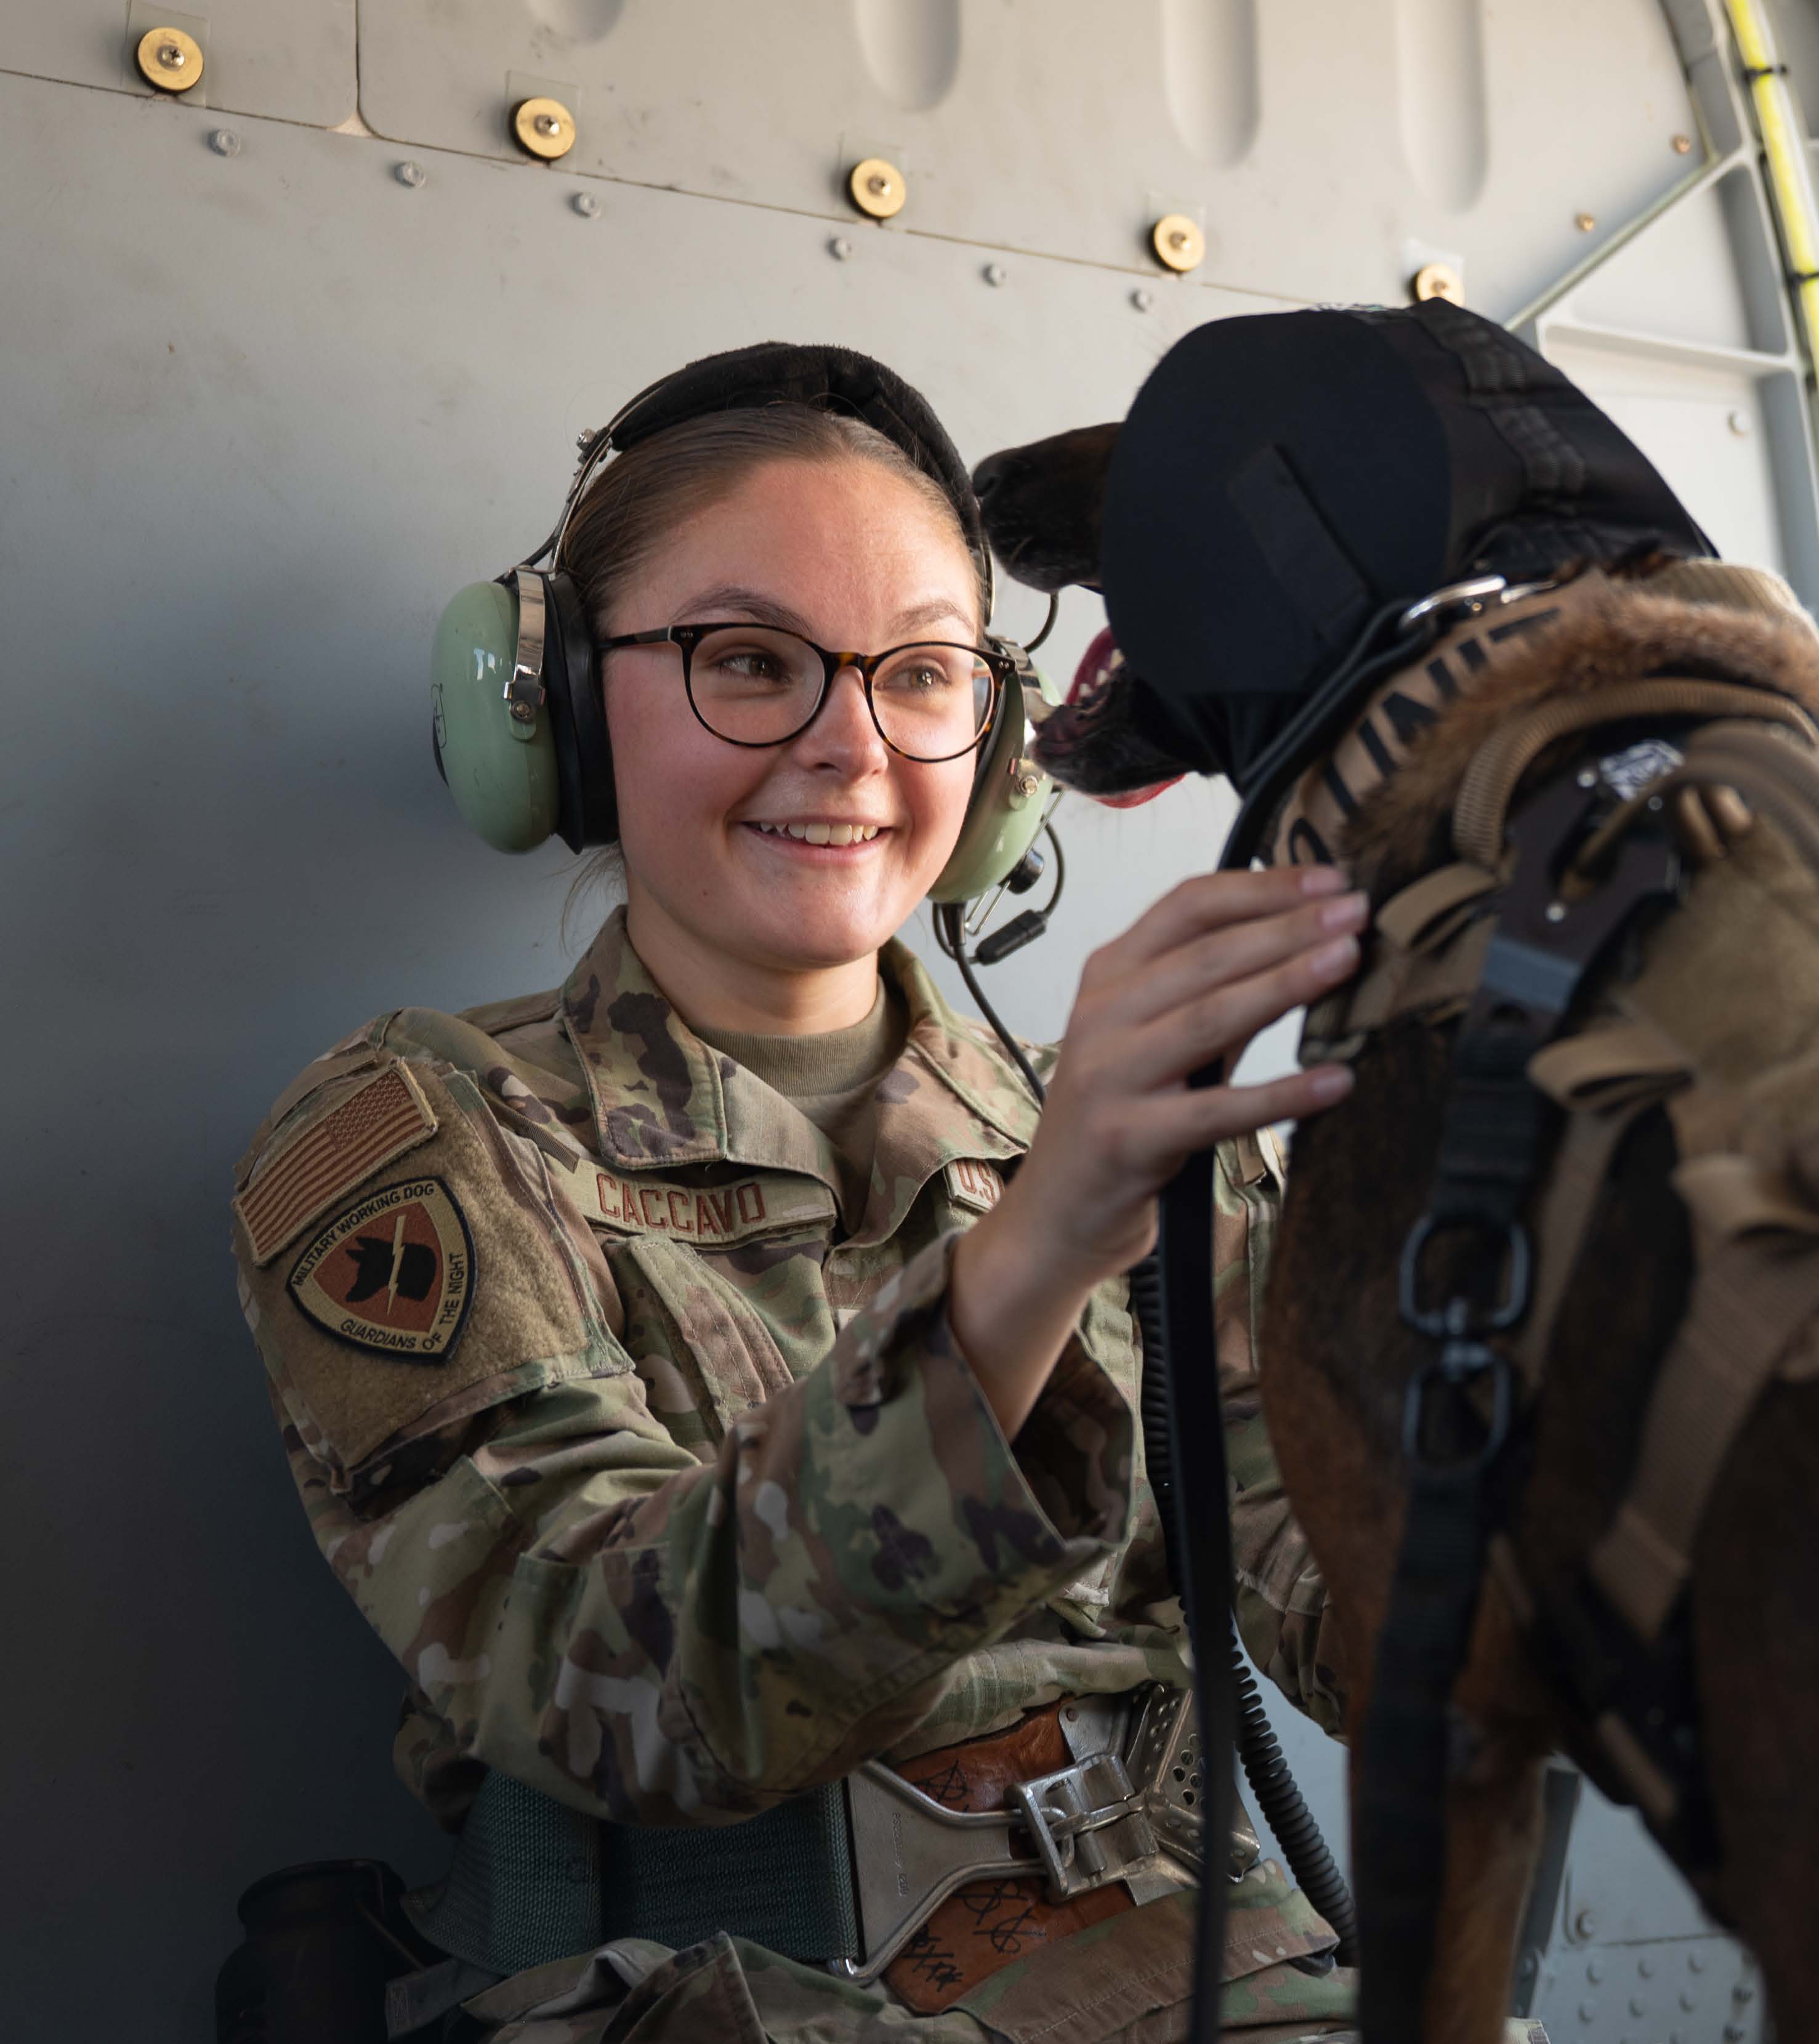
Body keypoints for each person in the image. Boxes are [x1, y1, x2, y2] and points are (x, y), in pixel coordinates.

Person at [230, 344, 1366, 2042]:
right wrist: (1043, 1247)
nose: (850, 747)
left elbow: (1378, 1631)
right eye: (749, 662)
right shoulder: (425, 1131)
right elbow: (611, 1682)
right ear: (553, 712)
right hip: (723, 1999)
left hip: (1211, 1975)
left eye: (919, 676)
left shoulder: (1124, 1123)